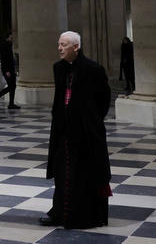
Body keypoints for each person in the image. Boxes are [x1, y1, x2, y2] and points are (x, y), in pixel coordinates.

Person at [41, 31, 111, 229]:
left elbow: (104, 100)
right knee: (62, 173)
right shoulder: (58, 68)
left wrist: (91, 121)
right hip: (62, 131)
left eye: (63, 45)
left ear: (76, 47)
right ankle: (59, 213)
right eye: (59, 44)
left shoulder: (94, 69)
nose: (59, 48)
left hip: (86, 133)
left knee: (83, 174)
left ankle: (84, 216)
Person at [0, 31, 20, 109]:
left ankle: (11, 104)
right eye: (11, 38)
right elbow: (4, 59)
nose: (12, 39)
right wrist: (7, 71)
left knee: (13, 86)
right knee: (11, 86)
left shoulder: (8, 45)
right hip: (7, 70)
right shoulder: (5, 45)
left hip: (10, 69)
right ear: (8, 37)